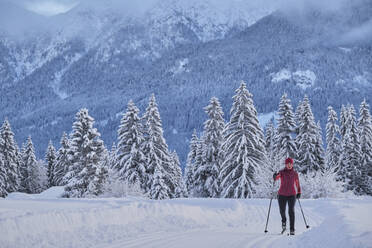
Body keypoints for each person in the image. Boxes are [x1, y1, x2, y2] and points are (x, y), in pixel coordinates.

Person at [273, 157, 301, 235]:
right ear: (285, 164)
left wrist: (299, 192)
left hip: (292, 195)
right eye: (288, 164)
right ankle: (284, 221)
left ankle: (292, 229)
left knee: (291, 211)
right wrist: (275, 176)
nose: (289, 165)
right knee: (282, 211)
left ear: (292, 164)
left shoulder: (295, 174)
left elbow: (297, 183)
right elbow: (277, 178)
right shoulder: (281, 172)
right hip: (282, 194)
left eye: (290, 164)